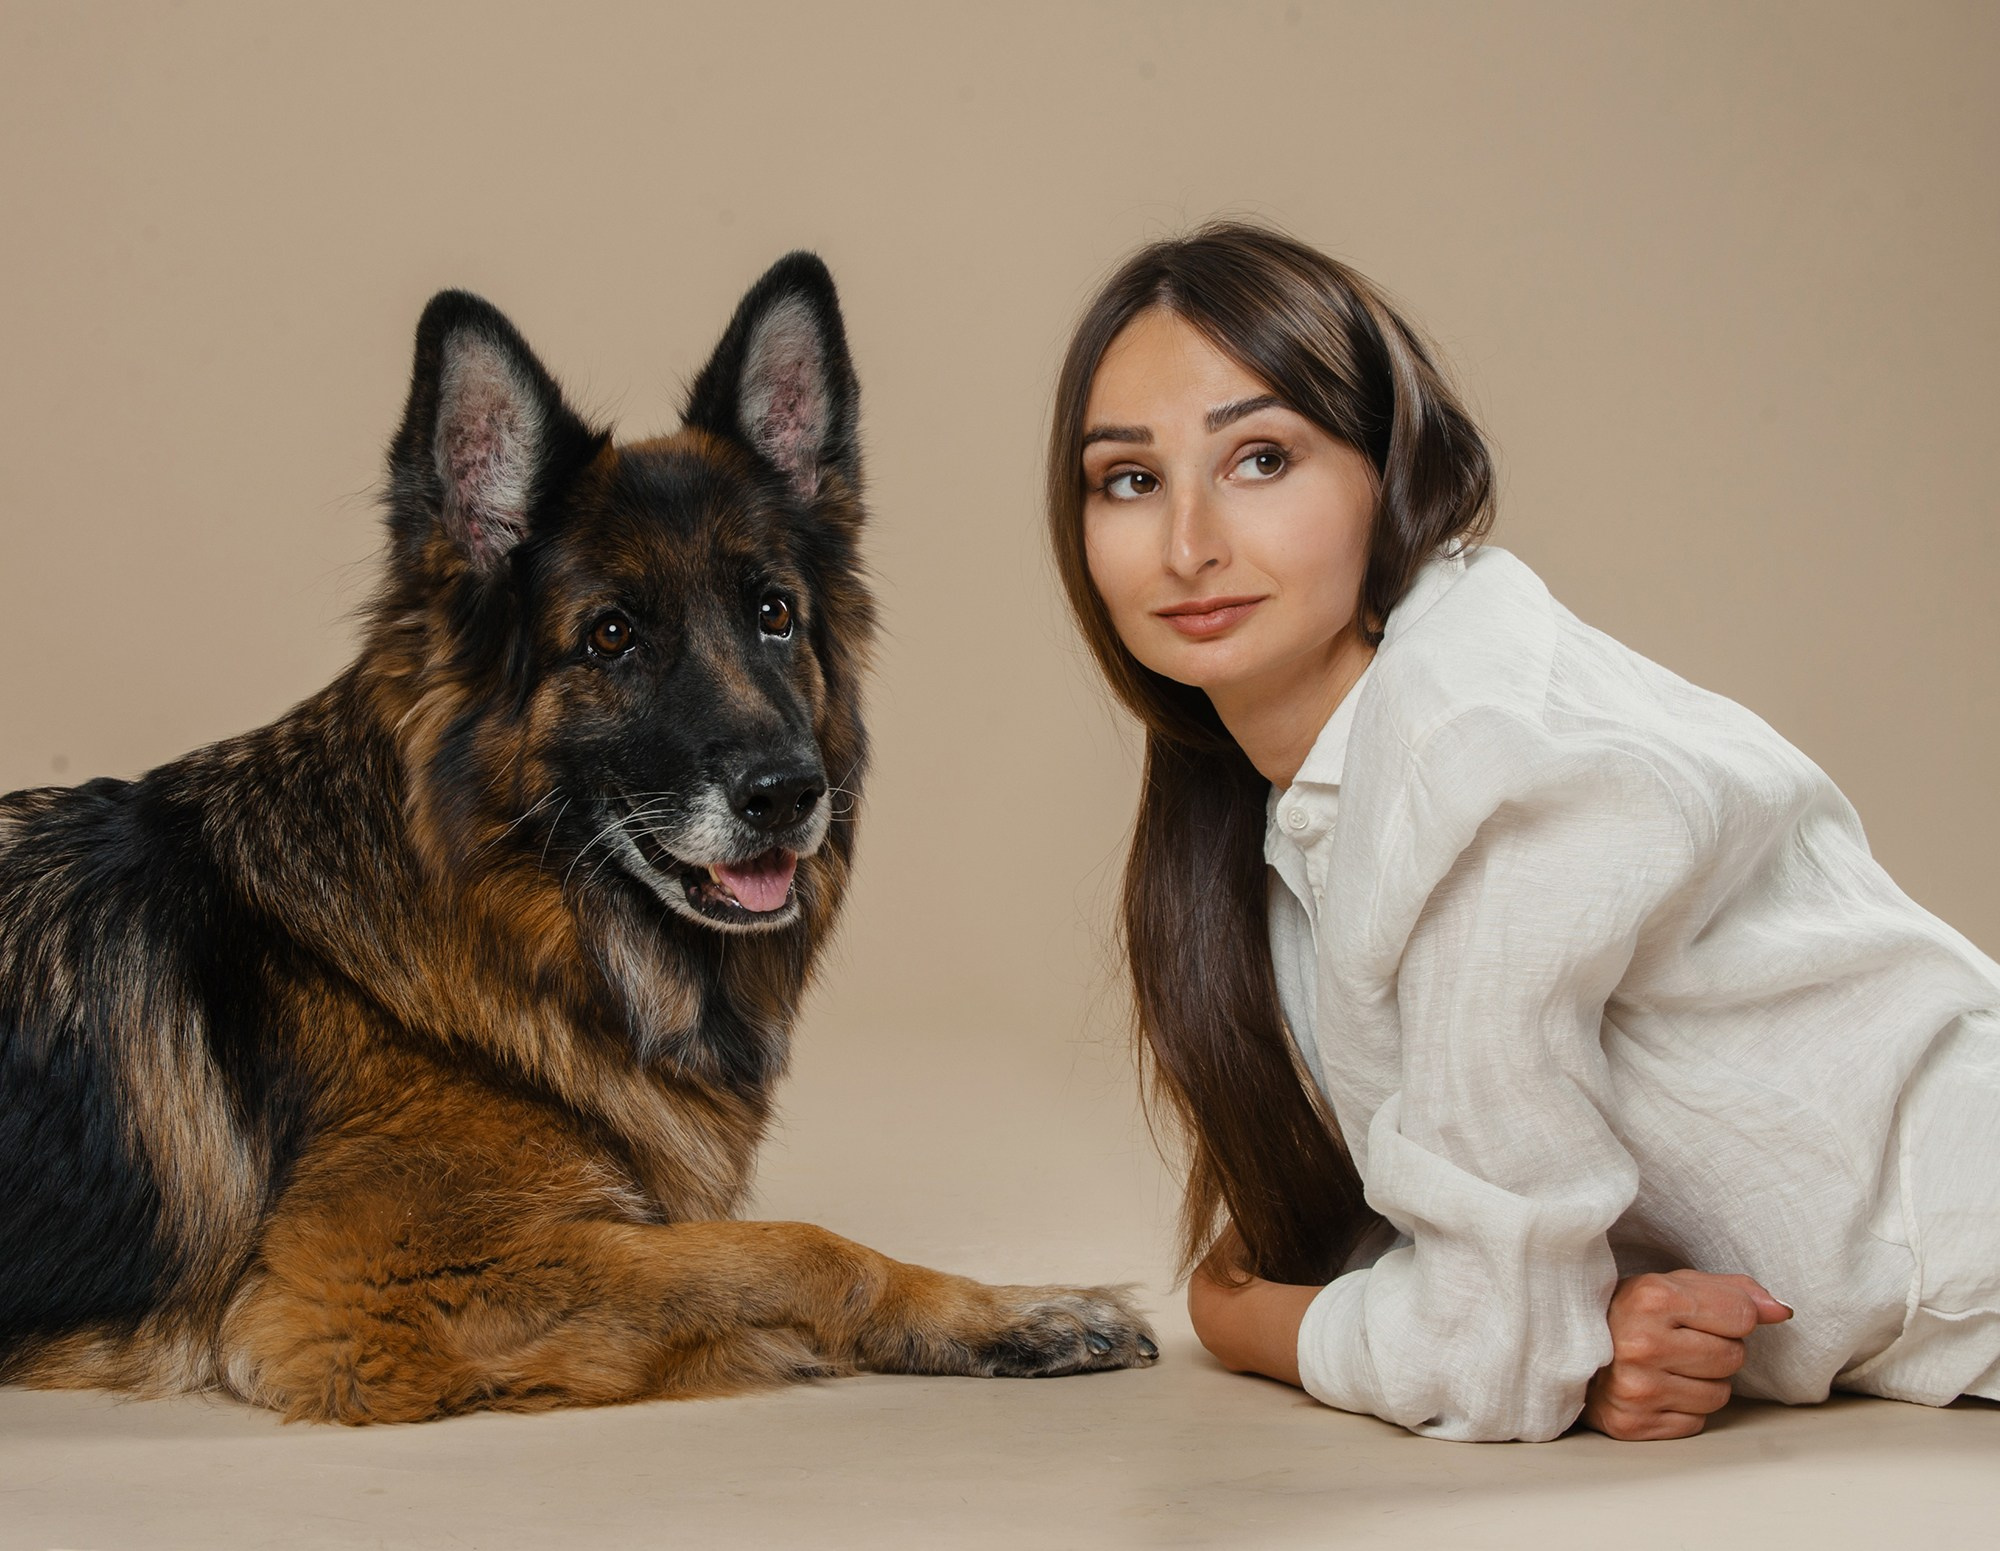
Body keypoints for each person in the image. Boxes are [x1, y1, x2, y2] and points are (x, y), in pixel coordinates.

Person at [1044, 221, 2000, 1443]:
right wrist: (1598, 1325)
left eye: (1260, 458)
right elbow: (1477, 1246)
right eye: (1129, 480)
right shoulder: (1297, 812)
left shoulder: (1475, 770)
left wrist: (1236, 1319)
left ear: (1382, 475)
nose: (1187, 545)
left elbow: (1485, 1350)